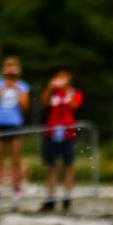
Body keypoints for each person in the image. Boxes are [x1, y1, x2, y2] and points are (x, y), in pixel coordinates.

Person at [40, 67, 83, 213]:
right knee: (51, 166)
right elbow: (44, 103)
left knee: (68, 165)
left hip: (67, 133)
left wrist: (66, 90)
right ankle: (50, 197)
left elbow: (74, 106)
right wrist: (50, 88)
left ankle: (67, 196)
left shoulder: (73, 92)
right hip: (51, 131)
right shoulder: (51, 93)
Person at [0, 57, 29, 201]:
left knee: (15, 159)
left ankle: (16, 188)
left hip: (14, 124)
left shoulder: (22, 86)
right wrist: (3, 88)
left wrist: (15, 88)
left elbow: (24, 106)